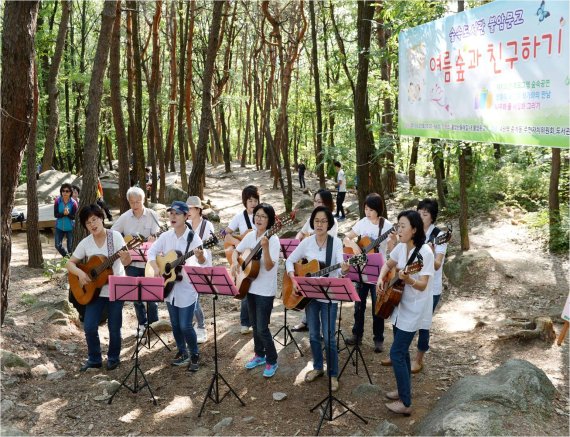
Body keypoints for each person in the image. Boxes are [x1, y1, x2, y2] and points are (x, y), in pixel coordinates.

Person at [376, 210, 434, 416]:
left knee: (396, 353)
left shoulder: (425, 253)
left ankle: (406, 402)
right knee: (402, 352)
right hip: (398, 304)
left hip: (415, 309)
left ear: (414, 229)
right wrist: (381, 278)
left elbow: (423, 284)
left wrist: (409, 280)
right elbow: (388, 264)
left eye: (403, 226)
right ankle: (403, 390)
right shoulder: (401, 247)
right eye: (398, 225)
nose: (399, 229)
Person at [286, 206, 350, 392]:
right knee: (313, 334)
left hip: (329, 296)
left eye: (323, 221)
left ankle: (333, 373)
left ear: (329, 223)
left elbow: (339, 270)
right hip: (310, 295)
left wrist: (345, 269)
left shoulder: (335, 243)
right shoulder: (306, 242)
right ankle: (317, 368)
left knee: (329, 337)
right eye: (316, 221)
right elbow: (290, 260)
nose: (320, 224)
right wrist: (294, 279)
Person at [66, 204, 131, 372]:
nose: (93, 225)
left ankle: (113, 357)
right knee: (89, 326)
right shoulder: (86, 243)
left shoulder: (115, 237)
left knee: (114, 327)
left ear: (101, 218)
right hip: (95, 291)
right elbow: (70, 263)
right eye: (88, 223)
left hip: (116, 288)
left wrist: (126, 256)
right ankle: (94, 359)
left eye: (94, 219)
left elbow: (126, 262)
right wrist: (80, 274)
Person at [147, 201, 207, 371]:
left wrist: (201, 256)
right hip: (169, 287)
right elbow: (151, 252)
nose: (173, 216)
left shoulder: (193, 238)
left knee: (185, 325)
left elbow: (204, 263)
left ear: (186, 216)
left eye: (177, 213)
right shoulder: (166, 236)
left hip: (187, 288)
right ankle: (182, 352)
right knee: (174, 323)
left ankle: (194, 353)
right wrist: (156, 267)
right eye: (171, 213)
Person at [231, 203, 281, 378]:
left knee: (262, 327)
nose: (259, 219)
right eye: (257, 215)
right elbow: (236, 251)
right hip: (248, 285)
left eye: (264, 216)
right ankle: (259, 355)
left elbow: (268, 266)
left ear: (270, 221)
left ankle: (272, 360)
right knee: (254, 324)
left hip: (265, 291)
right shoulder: (251, 236)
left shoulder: (273, 240)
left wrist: (265, 247)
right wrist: (234, 264)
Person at [342, 193, 396, 352]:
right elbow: (346, 238)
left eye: (371, 210)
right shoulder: (362, 223)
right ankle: (356, 336)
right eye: (366, 208)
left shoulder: (387, 226)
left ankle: (378, 339)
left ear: (378, 210)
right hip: (361, 270)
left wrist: (392, 240)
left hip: (379, 272)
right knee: (359, 305)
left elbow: (393, 250)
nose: (367, 212)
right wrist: (353, 245)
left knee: (377, 308)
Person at [111, 187, 162, 337]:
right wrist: (123, 244)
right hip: (131, 262)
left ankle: (154, 325)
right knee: (136, 297)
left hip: (149, 263)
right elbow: (113, 233)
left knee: (151, 296)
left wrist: (155, 238)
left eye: (138, 202)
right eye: (132, 202)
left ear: (143, 200)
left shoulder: (153, 215)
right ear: (128, 202)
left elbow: (160, 236)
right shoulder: (125, 217)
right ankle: (142, 324)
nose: (135, 205)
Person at [292, 189, 338, 332]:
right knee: (307, 293)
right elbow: (302, 232)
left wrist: (308, 237)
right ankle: (306, 322)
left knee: (321, 298)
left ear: (328, 204)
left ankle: (324, 329)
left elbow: (321, 236)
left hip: (324, 264)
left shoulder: (332, 221)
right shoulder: (311, 219)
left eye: (321, 202)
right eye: (316, 201)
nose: (317, 204)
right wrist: (297, 239)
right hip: (308, 263)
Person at [224, 185, 259, 334]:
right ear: (245, 201)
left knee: (257, 289)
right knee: (246, 286)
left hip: (259, 256)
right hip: (244, 257)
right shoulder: (240, 217)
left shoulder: (262, 215)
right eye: (250, 200)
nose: (253, 203)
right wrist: (237, 242)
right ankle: (245, 322)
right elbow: (225, 234)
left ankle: (258, 322)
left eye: (255, 200)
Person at [186, 195, 215, 344]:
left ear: (198, 210)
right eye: (187, 208)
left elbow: (209, 245)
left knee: (194, 298)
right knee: (189, 298)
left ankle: (202, 327)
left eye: (191, 208)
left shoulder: (207, 225)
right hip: (187, 265)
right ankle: (192, 327)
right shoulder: (186, 224)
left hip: (202, 265)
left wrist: (201, 252)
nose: (189, 211)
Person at [54, 183, 79, 257]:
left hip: (70, 228)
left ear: (70, 192)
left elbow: (74, 217)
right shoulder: (57, 201)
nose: (64, 193)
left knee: (70, 248)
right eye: (63, 191)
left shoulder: (74, 203)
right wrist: (63, 214)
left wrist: (68, 214)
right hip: (59, 227)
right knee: (57, 245)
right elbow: (56, 215)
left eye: (67, 191)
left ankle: (71, 263)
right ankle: (67, 258)